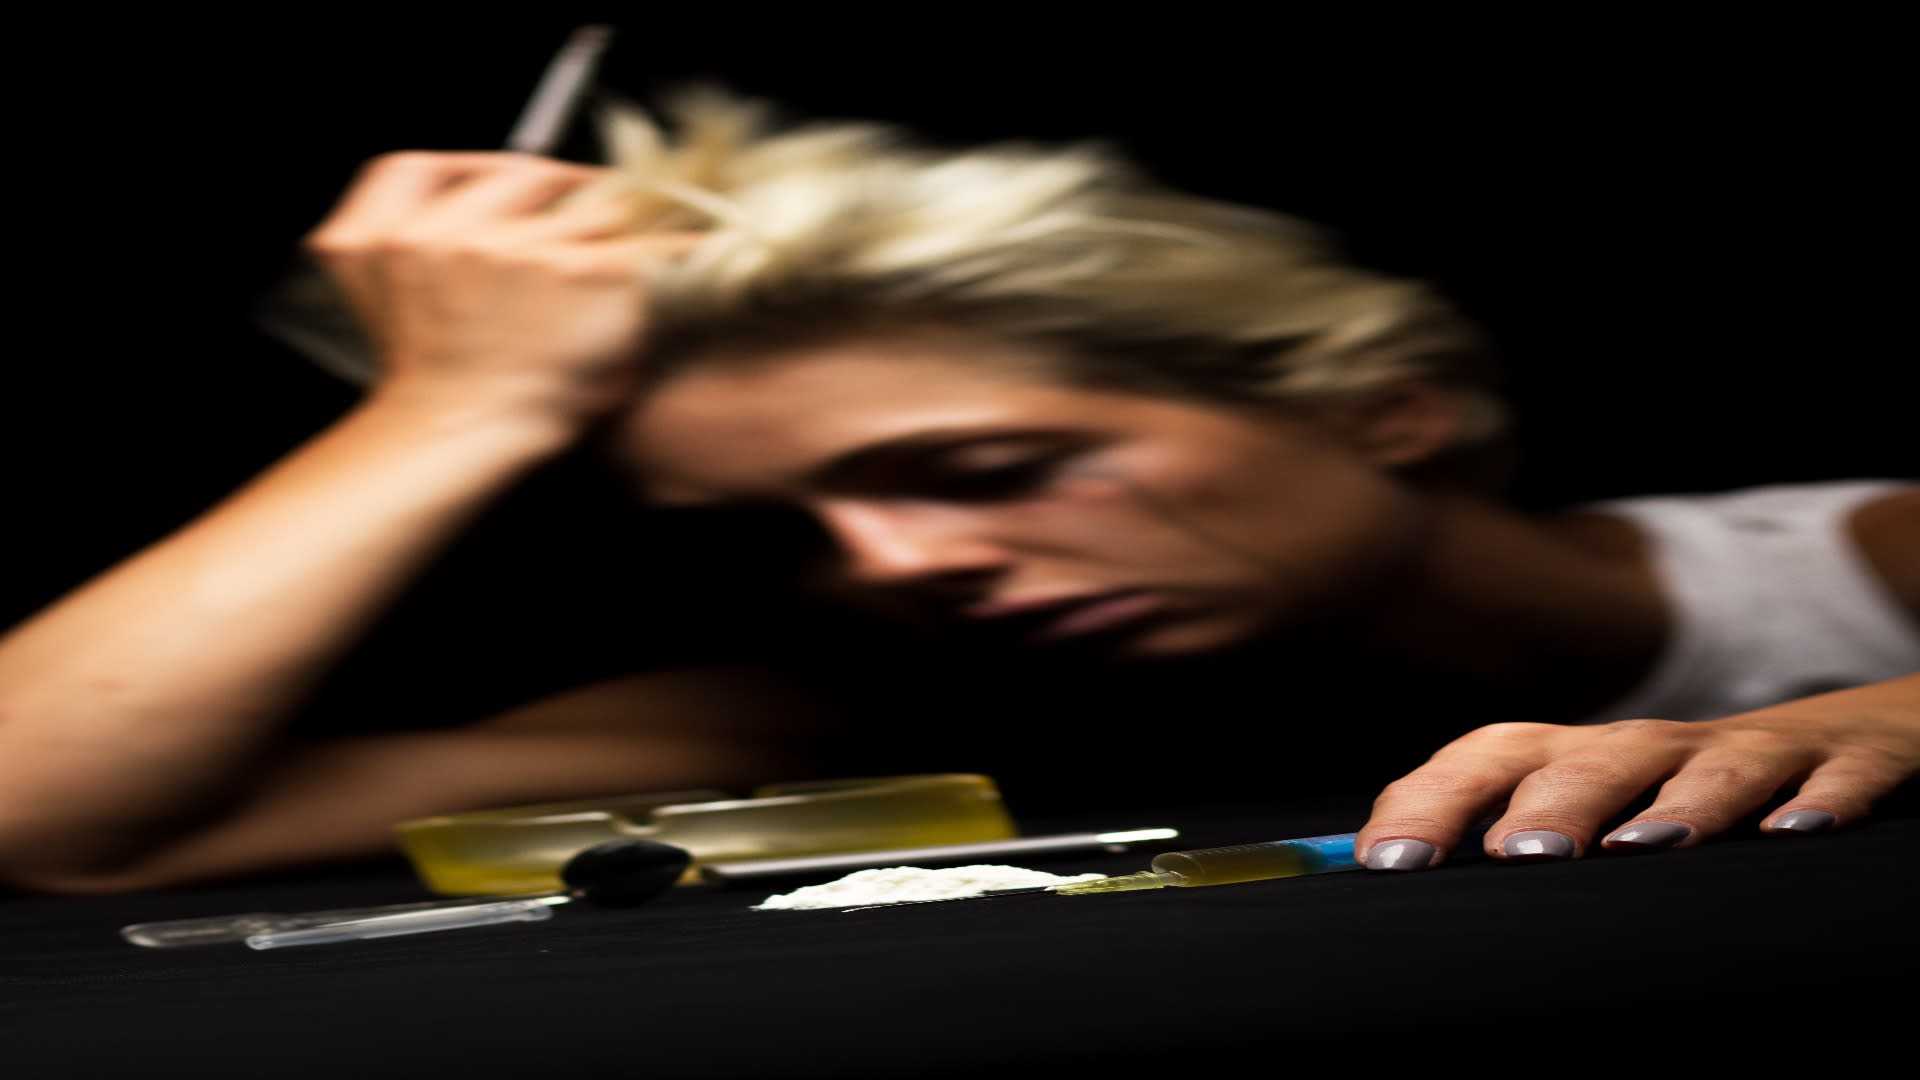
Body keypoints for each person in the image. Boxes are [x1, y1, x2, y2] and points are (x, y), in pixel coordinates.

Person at [1, 87, 1914, 894]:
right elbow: (57, 821)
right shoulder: (860, 713)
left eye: (991, 471)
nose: (889, 562)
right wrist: (455, 405)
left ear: (1380, 409)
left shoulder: (1869, 561)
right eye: (783, 533)